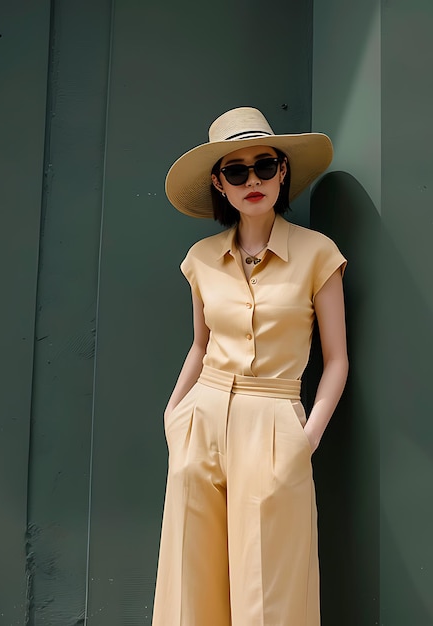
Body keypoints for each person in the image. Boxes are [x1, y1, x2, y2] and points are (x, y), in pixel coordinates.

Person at [153, 106, 348, 626]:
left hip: (274, 421)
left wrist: (305, 439)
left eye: (264, 166)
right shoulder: (201, 258)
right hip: (201, 420)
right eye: (236, 172)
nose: (252, 181)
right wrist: (174, 417)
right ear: (220, 183)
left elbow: (337, 360)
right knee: (188, 584)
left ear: (282, 171)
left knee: (270, 593)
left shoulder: (317, 254)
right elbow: (200, 346)